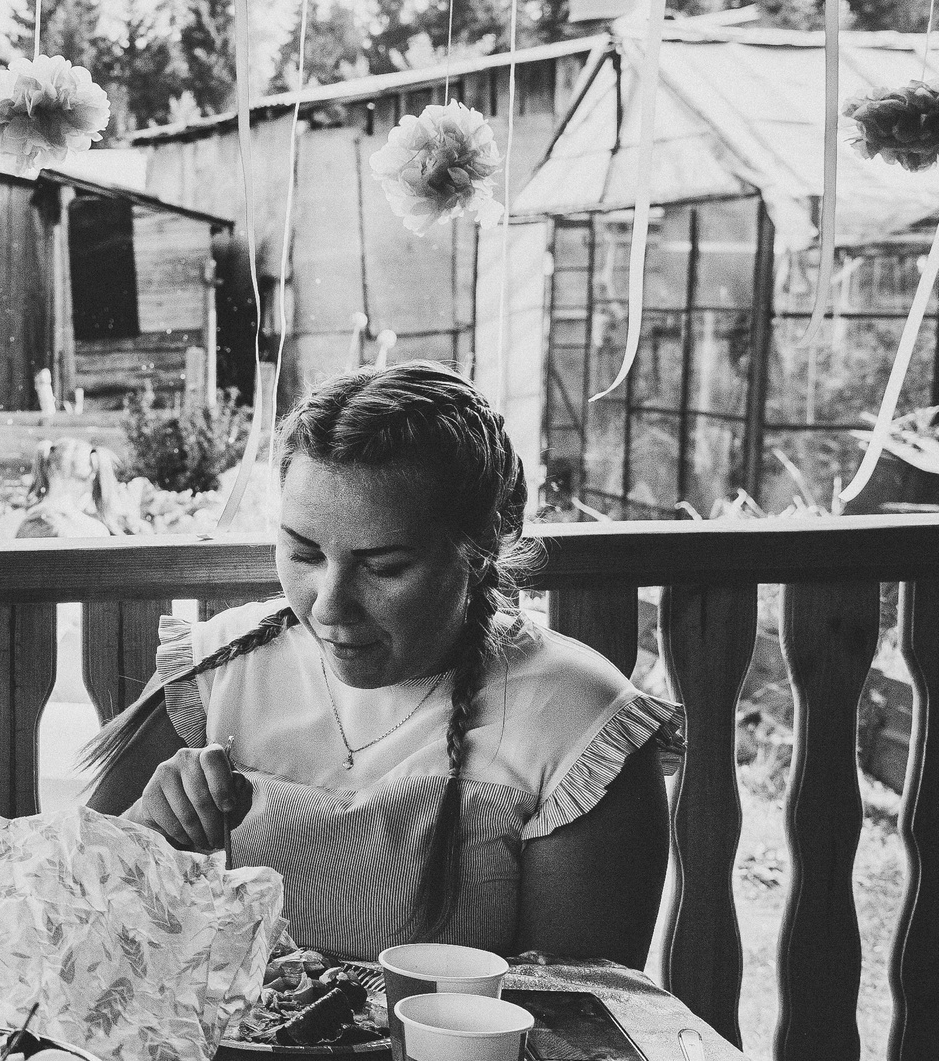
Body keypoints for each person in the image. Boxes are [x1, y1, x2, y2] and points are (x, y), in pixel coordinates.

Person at [82, 362, 677, 963]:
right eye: (303, 553)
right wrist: (144, 834)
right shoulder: (218, 671)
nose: (330, 606)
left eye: (384, 567)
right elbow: (68, 909)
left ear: (485, 544)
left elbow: (574, 1014)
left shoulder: (576, 722)